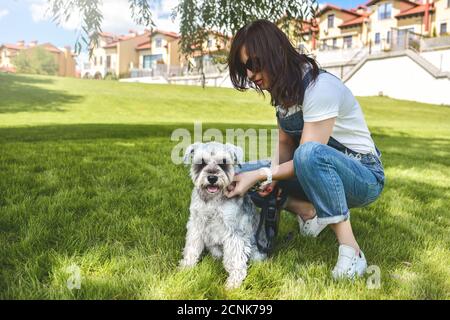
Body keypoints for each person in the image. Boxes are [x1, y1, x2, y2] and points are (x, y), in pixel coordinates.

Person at [225, 19, 385, 279]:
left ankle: (352, 252)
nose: (251, 75)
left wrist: (264, 175)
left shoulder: (319, 88)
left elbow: (308, 155)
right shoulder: (283, 93)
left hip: (364, 176)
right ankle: (308, 213)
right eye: (245, 70)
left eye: (253, 65)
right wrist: (267, 178)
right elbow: (285, 144)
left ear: (273, 53)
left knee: (305, 155)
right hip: (315, 169)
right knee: (237, 174)